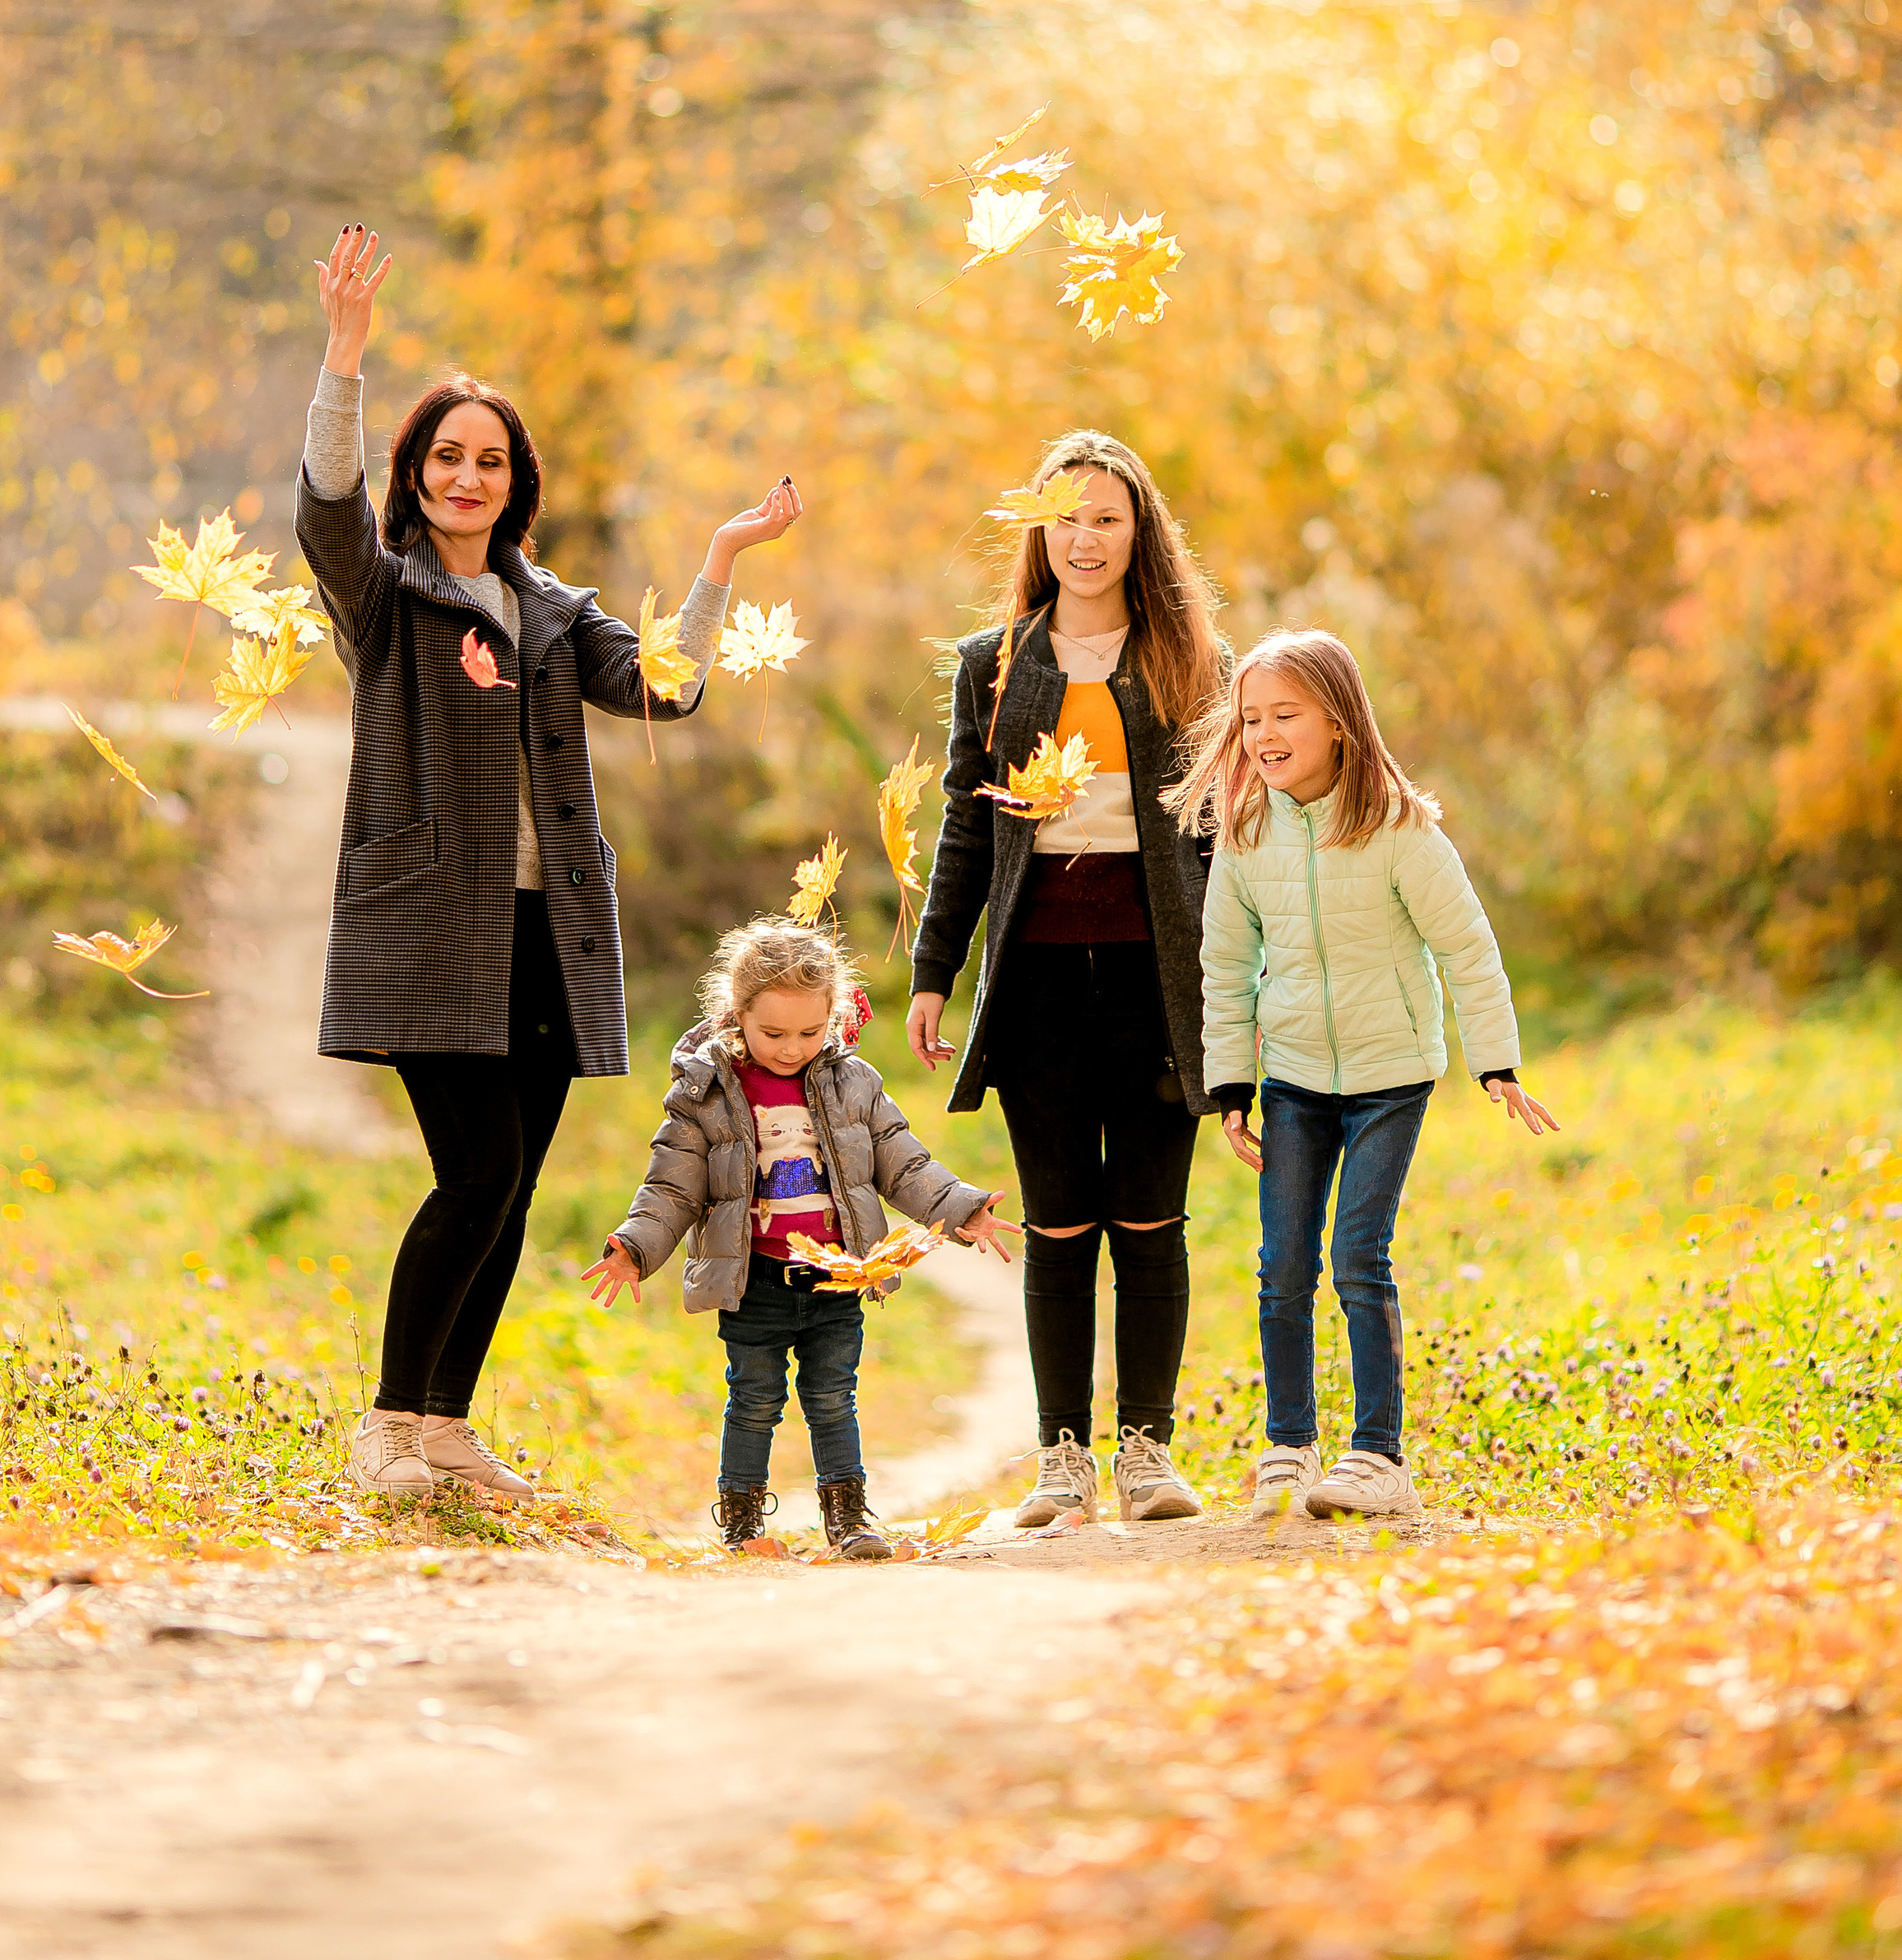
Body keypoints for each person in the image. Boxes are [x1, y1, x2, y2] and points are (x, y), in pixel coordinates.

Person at [298, 223, 803, 1505]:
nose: (468, 477)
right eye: (447, 459)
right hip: (430, 926)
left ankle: (444, 1433)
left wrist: (720, 561)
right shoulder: (382, 590)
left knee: (511, 1192)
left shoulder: (554, 613)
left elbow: (668, 690)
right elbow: (324, 511)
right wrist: (344, 361)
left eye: (491, 461)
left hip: (547, 933)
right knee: (471, 1174)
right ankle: (385, 1429)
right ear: (413, 476)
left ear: (514, 482)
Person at [906, 430, 1226, 1530]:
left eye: (1107, 519)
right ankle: (1060, 1462)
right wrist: (935, 970)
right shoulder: (996, 663)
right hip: (1036, 979)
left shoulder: (1187, 662)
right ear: (1038, 530)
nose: (1085, 538)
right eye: (1067, 517)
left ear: (1141, 535)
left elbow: (1221, 834)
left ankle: (1147, 1454)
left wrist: (1241, 982)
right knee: (1058, 1225)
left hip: (1157, 980)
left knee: (1149, 1221)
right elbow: (962, 824)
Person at [1169, 627, 1559, 1520]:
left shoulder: (1396, 829)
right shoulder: (1245, 831)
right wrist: (1231, 1086)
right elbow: (1224, 967)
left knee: (1356, 1256)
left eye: (1285, 714)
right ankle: (1288, 1448)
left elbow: (1466, 948)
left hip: (1392, 1075)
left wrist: (1494, 1062)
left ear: (1338, 721)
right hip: (1295, 1077)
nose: (1264, 731)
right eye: (1251, 716)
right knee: (1280, 1266)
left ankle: (1378, 1459)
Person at [584, 918, 1013, 1556]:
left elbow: (904, 1163)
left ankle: (849, 1517)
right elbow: (672, 1186)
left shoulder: (854, 1084)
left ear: (833, 1017)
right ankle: (742, 1521)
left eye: (810, 1033)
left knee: (833, 1398)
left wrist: (959, 1209)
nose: (791, 1048)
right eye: (773, 1033)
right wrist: (636, 1246)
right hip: (754, 1279)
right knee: (754, 1400)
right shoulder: (705, 1093)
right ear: (737, 1015)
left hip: (836, 1276)